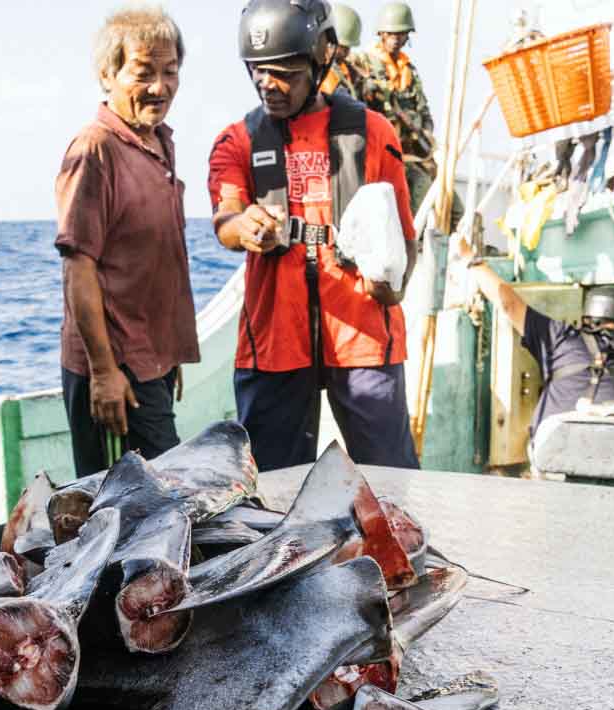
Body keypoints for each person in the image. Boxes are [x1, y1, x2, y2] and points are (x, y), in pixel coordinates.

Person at [209, 0, 420, 473]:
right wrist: (244, 227)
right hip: (274, 345)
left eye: (285, 73)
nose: (269, 86)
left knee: (393, 487)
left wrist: (397, 285)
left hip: (365, 341)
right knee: (272, 493)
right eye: (259, 72)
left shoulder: (373, 132)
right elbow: (226, 217)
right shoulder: (237, 141)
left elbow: (406, 235)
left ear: (322, 57)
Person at [54, 7, 197, 477]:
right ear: (107, 75)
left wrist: (168, 353)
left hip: (149, 362)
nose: (160, 87)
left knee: (159, 504)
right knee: (122, 511)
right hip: (118, 372)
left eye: (170, 71)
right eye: (143, 73)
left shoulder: (159, 143)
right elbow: (79, 267)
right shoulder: (94, 148)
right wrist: (102, 373)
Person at [455, 233, 614, 434]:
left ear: (585, 316)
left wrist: (470, 259)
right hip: (601, 455)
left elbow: (508, 304)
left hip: (548, 452)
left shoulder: (560, 337)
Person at [357, 2, 436, 210]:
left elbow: (424, 110)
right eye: (391, 34)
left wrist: (424, 132)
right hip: (381, 150)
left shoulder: (409, 71)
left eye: (401, 34)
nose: (396, 39)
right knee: (419, 190)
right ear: (381, 33)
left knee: (447, 202)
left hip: (410, 152)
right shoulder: (364, 63)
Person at [319, 5, 368, 98]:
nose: (346, 53)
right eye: (342, 47)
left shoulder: (351, 72)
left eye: (347, 48)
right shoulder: (315, 70)